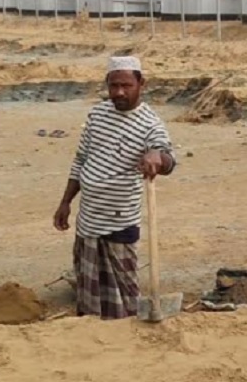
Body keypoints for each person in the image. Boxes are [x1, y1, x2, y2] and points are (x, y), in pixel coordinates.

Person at [53, 56, 177, 319]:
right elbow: (81, 160)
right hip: (87, 221)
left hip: (119, 224)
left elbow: (166, 158)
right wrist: (66, 202)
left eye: (126, 85)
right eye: (113, 86)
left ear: (141, 83)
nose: (119, 92)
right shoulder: (97, 115)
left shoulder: (150, 124)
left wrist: (157, 158)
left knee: (124, 293)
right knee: (89, 291)